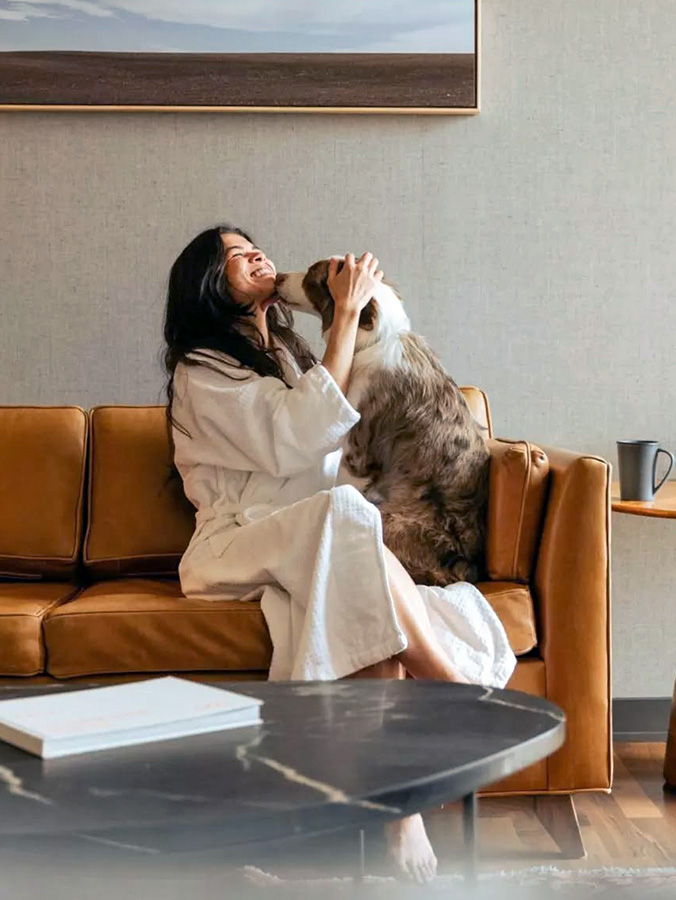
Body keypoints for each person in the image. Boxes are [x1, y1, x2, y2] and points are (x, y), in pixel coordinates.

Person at [162, 224, 516, 885]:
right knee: (348, 523)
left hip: (311, 534)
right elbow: (299, 437)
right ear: (208, 284)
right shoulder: (201, 373)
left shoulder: (291, 358)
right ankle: (456, 692)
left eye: (255, 246)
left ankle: (396, 801)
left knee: (356, 562)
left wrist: (353, 324)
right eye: (236, 256)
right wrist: (345, 317)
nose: (257, 256)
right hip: (236, 543)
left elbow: (339, 427)